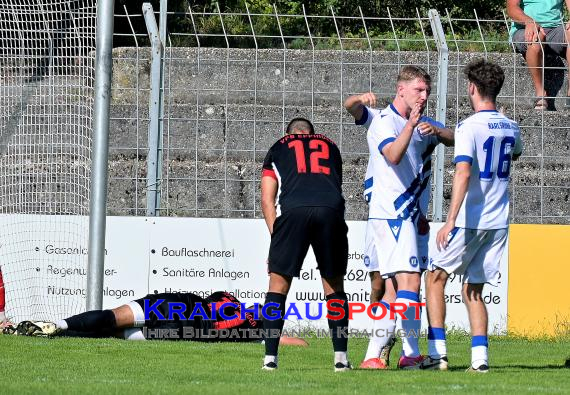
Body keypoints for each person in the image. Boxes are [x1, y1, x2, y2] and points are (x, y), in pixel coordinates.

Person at [421, 59, 522, 373]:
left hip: (470, 219)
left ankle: (438, 355)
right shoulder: (510, 125)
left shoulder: (468, 126)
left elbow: (463, 171)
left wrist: (450, 220)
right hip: (498, 221)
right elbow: (514, 152)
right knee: (473, 288)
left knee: (435, 277)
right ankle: (480, 361)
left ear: (473, 88)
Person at [349, 67, 454, 371]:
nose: (425, 95)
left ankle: (373, 354)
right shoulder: (383, 121)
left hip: (412, 216)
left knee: (399, 288)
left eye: (427, 90)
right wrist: (411, 125)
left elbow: (455, 137)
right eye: (419, 90)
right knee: (408, 281)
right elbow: (393, 155)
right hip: (391, 213)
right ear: (402, 90)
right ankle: (411, 353)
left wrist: (437, 131)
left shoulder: (423, 124)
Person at [260, 117, 351, 371]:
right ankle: (341, 359)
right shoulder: (331, 146)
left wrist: (277, 239)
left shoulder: (278, 147)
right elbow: (334, 185)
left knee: (278, 287)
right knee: (334, 287)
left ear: (289, 134)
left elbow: (267, 199)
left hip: (294, 211)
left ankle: (270, 359)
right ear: (312, 134)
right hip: (330, 211)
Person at [5, 290, 307, 346]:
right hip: (184, 331)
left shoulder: (227, 300)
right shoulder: (254, 333)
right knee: (111, 335)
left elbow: (214, 301)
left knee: (112, 318)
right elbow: (300, 343)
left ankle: (59, 325)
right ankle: (57, 333)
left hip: (175, 304)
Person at [507, 0, 570, 110]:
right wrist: (529, 22)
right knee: (536, 40)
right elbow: (512, 8)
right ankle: (541, 94)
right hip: (525, 28)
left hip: (556, 29)